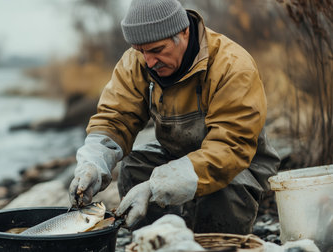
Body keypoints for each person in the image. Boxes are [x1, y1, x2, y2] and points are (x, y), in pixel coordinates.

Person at [68, 0, 280, 234]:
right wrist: (93, 164)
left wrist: (156, 187)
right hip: (177, 154)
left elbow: (230, 149)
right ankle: (153, 241)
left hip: (238, 165)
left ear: (184, 32)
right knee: (134, 167)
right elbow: (114, 119)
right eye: (141, 51)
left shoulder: (232, 66)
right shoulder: (136, 62)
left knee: (225, 193)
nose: (149, 62)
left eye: (157, 50)